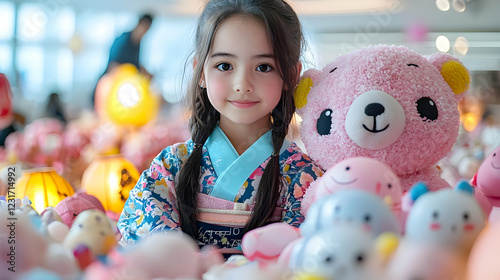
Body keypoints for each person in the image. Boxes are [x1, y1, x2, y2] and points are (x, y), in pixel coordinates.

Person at [117, 0, 324, 253]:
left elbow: (309, 258)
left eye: (264, 67)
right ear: (201, 72)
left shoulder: (303, 176)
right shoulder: (170, 168)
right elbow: (153, 256)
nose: (242, 84)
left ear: (290, 77)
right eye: (224, 66)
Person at [91, 14, 153, 105]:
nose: (144, 33)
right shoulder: (123, 40)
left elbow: (136, 65)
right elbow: (113, 67)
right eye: (144, 28)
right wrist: (135, 73)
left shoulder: (137, 44)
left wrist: (146, 73)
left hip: (123, 93)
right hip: (109, 90)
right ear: (139, 24)